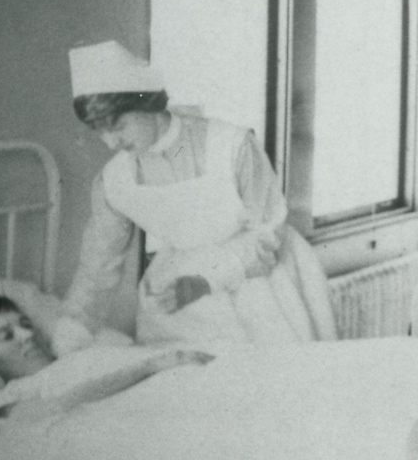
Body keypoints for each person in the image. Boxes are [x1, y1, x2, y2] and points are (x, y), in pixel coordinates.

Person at [61, 41, 337, 346]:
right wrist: (73, 330)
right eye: (99, 132)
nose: (111, 143)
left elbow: (267, 233)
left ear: (146, 104)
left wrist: (206, 280)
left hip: (264, 281)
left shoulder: (230, 146)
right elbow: (98, 265)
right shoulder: (113, 181)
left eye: (119, 126)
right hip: (179, 292)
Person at [0, 296, 210, 418]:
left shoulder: (78, 353)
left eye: (26, 324)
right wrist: (146, 368)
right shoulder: (12, 394)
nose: (26, 335)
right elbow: (59, 407)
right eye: (7, 335)